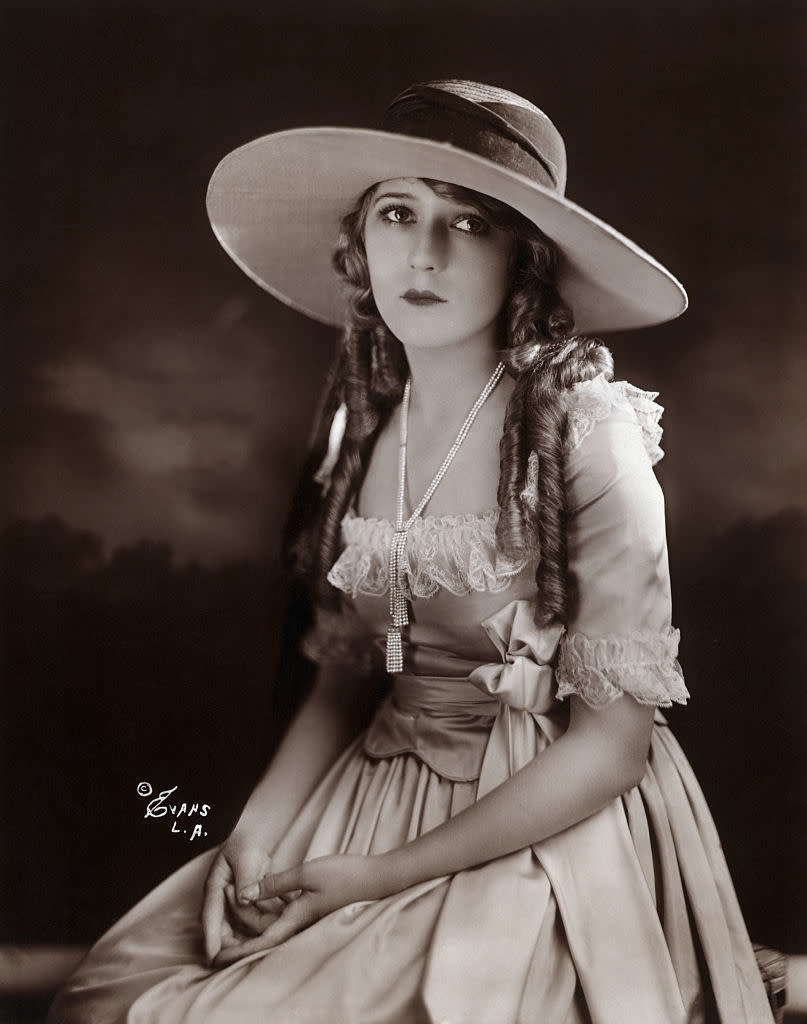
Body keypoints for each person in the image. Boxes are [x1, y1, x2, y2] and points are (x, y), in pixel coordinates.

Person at [48, 79, 775, 1023]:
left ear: (525, 260)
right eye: (399, 214)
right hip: (373, 786)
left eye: (468, 224)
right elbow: (349, 670)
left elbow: (610, 747)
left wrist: (378, 877)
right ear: (360, 246)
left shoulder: (584, 430)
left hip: (541, 815)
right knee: (114, 998)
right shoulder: (364, 427)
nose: (423, 255)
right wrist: (257, 833)